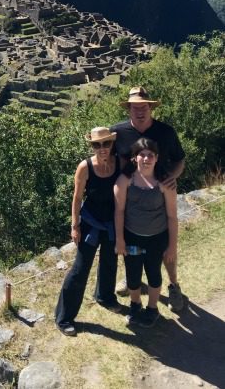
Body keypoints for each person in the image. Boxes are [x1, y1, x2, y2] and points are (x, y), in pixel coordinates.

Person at [111, 86, 185, 312]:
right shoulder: (118, 133)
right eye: (135, 107)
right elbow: (105, 155)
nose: (140, 111)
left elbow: (180, 160)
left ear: (151, 108)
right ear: (129, 110)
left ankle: (173, 285)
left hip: (160, 194)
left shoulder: (165, 132)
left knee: (163, 245)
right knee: (133, 238)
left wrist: (171, 178)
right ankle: (133, 279)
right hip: (132, 194)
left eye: (144, 107)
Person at [55, 127, 121, 336]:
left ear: (112, 144)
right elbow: (76, 197)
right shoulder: (85, 167)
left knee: (110, 261)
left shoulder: (120, 163)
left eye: (106, 144)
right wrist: (75, 226)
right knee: (80, 269)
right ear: (91, 146)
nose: (102, 148)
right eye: (96, 145)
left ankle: (105, 296)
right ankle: (64, 317)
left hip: (111, 222)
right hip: (91, 224)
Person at [114, 137, 178, 327]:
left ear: (156, 158)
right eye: (142, 154)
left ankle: (152, 309)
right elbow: (119, 212)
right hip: (132, 237)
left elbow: (172, 217)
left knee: (153, 273)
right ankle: (135, 304)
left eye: (150, 155)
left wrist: (172, 246)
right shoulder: (124, 180)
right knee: (133, 274)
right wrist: (119, 239)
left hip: (157, 239)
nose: (146, 158)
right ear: (135, 158)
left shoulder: (165, 183)